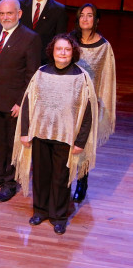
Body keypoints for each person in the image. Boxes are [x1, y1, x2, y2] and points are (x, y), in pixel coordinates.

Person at [13, 34, 98, 235]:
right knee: (41, 175)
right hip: (41, 133)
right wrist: (25, 132)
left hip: (66, 137)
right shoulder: (41, 73)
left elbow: (87, 112)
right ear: (52, 51)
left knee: (61, 178)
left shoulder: (81, 77)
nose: (62, 53)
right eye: (59, 49)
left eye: (67, 49)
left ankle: (58, 216)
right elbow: (27, 103)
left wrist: (80, 141)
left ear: (73, 53)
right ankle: (40, 210)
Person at [0, 0, 41, 202]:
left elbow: (32, 75)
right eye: (2, 14)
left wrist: (22, 102)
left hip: (14, 104)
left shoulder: (30, 38)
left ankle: (10, 183)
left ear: (19, 14)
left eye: (9, 13)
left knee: (13, 145)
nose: (5, 17)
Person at [70, 3, 117, 202]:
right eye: (82, 15)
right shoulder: (69, 41)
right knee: (67, 144)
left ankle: (82, 182)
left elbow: (107, 76)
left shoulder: (104, 46)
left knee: (85, 144)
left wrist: (100, 101)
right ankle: (65, 179)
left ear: (96, 20)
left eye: (90, 16)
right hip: (69, 102)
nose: (85, 19)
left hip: (89, 103)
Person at [19, 0, 68, 64]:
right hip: (20, 62)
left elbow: (59, 40)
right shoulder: (19, 5)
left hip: (44, 63)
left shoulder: (59, 10)